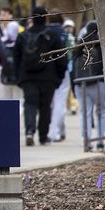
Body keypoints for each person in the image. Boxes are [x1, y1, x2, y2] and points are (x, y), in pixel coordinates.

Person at [13, 6, 68, 146]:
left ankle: (29, 132)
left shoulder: (23, 36)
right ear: (46, 18)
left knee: (29, 103)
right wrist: (60, 76)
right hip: (48, 77)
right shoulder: (53, 36)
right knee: (45, 106)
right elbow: (60, 58)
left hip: (27, 77)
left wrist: (18, 77)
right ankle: (43, 136)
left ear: (31, 18)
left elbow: (16, 58)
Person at [73, 21, 105, 150]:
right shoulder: (100, 44)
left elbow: (72, 67)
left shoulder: (79, 45)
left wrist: (73, 84)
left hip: (80, 83)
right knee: (101, 112)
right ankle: (100, 140)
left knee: (84, 112)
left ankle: (86, 140)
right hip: (98, 82)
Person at [47, 11, 73, 142]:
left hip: (46, 71)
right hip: (62, 71)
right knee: (60, 101)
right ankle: (54, 132)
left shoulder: (44, 33)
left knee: (51, 102)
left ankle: (60, 130)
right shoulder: (64, 34)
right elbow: (69, 53)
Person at [0, 18, 23, 106]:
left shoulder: (1, 42)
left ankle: (6, 118)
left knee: (5, 100)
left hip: (4, 75)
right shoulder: (22, 42)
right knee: (18, 100)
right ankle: (17, 118)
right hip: (18, 75)